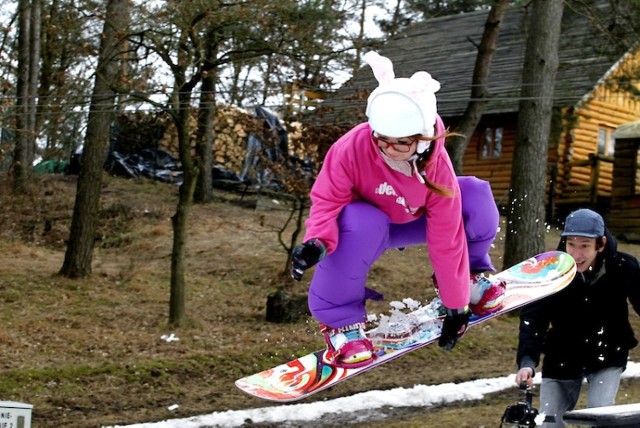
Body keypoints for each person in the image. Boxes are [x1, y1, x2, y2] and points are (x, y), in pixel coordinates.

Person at [290, 51, 505, 368]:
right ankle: (341, 324)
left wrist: (455, 304)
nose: (389, 149)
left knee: (473, 195)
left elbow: (447, 238)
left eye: (401, 143)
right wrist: (316, 242)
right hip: (364, 228)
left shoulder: (435, 164)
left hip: (412, 220)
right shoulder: (351, 147)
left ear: (422, 138)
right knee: (362, 218)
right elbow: (327, 201)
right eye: (382, 140)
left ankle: (470, 280)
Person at [514, 208, 640, 427]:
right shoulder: (551, 272)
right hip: (562, 354)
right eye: (571, 244)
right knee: (549, 422)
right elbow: (534, 318)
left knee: (601, 416)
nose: (576, 253)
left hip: (607, 353)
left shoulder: (623, 267)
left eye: (584, 246)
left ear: (600, 244)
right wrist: (527, 362)